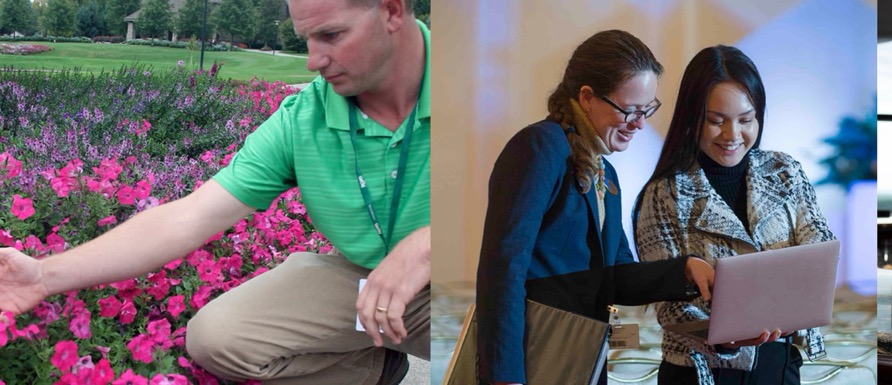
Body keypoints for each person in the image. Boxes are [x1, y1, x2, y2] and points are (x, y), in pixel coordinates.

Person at [0, 0, 430, 383]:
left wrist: (426, 246)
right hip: (368, 279)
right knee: (218, 337)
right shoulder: (305, 118)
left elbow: (500, 218)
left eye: (331, 35)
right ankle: (375, 370)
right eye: (306, 40)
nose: (313, 61)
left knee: (489, 350)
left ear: (392, 11)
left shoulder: (488, 81)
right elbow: (189, 218)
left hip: (474, 275)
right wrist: (43, 276)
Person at [474, 30, 715, 385]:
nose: (640, 124)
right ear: (586, 97)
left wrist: (685, 270)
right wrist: (505, 376)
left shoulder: (608, 172)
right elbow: (503, 268)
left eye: (647, 110)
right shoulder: (541, 146)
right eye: (630, 110)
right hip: (535, 356)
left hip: (580, 354)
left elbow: (616, 276)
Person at [634, 45, 834, 385]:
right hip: (702, 371)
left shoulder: (783, 171)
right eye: (716, 121)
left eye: (746, 120)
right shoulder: (665, 193)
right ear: (691, 118)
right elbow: (670, 307)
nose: (732, 135)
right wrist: (724, 336)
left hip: (779, 362)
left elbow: (818, 240)